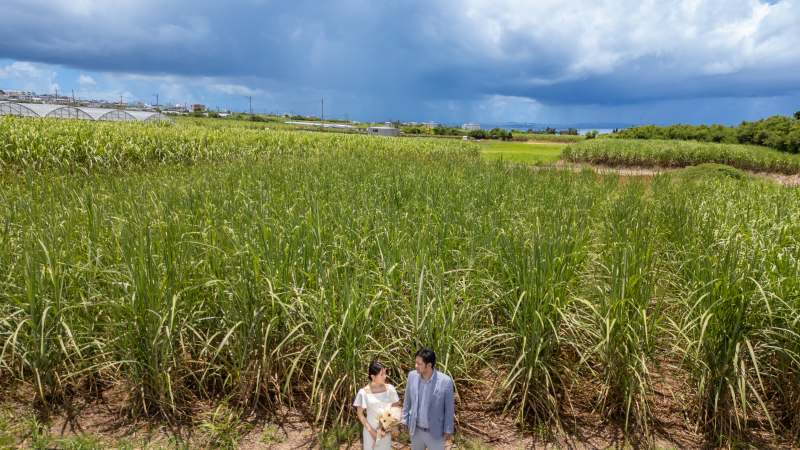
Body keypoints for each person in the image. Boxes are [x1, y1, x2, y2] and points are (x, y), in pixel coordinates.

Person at [401, 348, 455, 450]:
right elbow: (407, 399)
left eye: (419, 363)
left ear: (429, 365)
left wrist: (448, 429)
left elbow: (449, 408)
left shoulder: (445, 381)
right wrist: (405, 419)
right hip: (416, 431)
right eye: (415, 362)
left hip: (436, 432)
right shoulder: (412, 376)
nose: (416, 366)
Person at [354, 362, 400, 450]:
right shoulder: (363, 392)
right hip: (370, 429)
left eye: (385, 373)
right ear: (373, 376)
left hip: (385, 429)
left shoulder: (390, 389)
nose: (384, 377)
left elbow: (393, 408)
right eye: (381, 374)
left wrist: (388, 424)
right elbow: (360, 414)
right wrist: (371, 431)